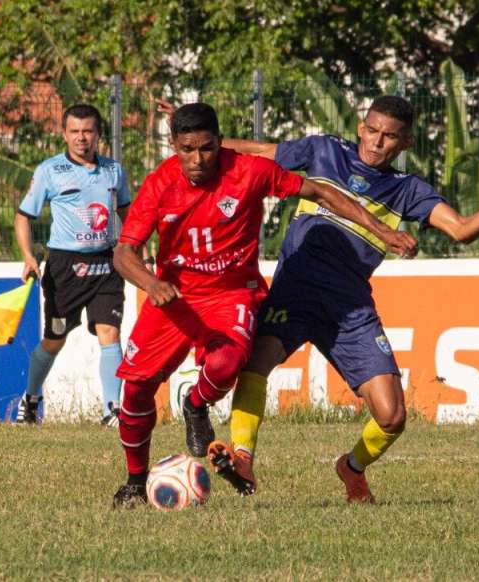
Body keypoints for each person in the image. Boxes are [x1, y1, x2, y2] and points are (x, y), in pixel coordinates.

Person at [204, 95, 479, 503]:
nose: (377, 142)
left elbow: (462, 230)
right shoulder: (325, 151)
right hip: (296, 289)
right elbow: (258, 152)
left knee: (392, 417)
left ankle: (352, 467)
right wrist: (200, 142)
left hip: (350, 308)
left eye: (389, 137)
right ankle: (243, 458)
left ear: (406, 144)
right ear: (362, 127)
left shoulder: (407, 190)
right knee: (257, 363)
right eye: (372, 130)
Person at [109, 102, 417, 507]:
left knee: (231, 360)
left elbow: (320, 190)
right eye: (186, 149)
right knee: (135, 391)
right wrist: (151, 282)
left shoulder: (248, 171)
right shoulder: (158, 185)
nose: (197, 159)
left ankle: (196, 403)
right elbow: (123, 253)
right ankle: (135, 479)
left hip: (231, 292)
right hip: (174, 296)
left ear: (220, 143)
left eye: (206, 148)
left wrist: (381, 229)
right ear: (173, 145)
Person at [13, 103, 130, 427]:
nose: (82, 138)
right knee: (55, 339)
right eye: (75, 132)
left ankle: (113, 410)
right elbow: (23, 217)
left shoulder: (114, 171)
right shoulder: (49, 170)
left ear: (98, 135)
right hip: (65, 268)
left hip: (106, 263)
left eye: (88, 131)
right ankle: (32, 398)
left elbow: (127, 212)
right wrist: (28, 256)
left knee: (110, 332)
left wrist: (136, 250)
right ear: (64, 134)